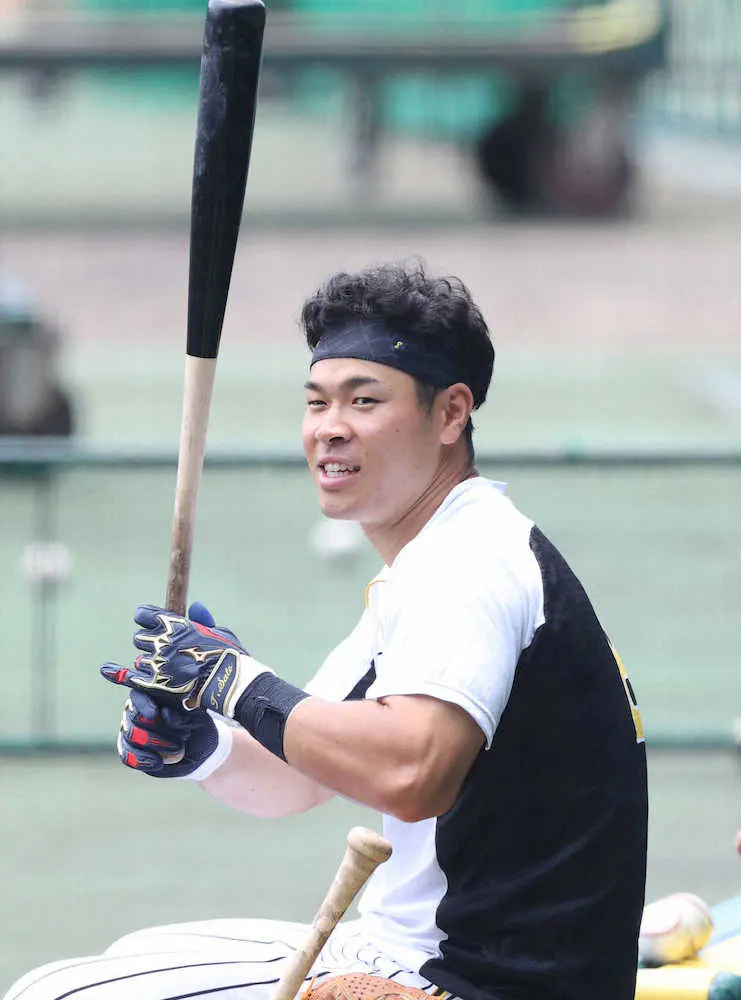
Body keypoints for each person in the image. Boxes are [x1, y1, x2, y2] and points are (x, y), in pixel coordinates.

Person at [4, 262, 648, 1000]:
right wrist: (202, 744)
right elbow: (302, 772)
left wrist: (232, 681)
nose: (329, 427)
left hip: (470, 981)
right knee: (135, 953)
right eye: (316, 402)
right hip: (435, 952)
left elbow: (410, 774)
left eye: (364, 400)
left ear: (450, 414)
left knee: (51, 994)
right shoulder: (438, 556)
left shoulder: (467, 565)